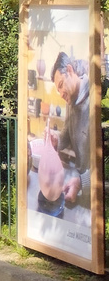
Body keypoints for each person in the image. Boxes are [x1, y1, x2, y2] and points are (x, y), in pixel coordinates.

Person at [51, 52, 92, 206]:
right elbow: (66, 135)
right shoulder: (71, 102)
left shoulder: (94, 101)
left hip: (97, 190)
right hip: (79, 185)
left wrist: (81, 182)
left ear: (69, 70)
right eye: (58, 89)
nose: (61, 93)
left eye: (61, 85)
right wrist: (56, 139)